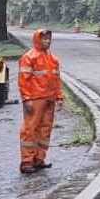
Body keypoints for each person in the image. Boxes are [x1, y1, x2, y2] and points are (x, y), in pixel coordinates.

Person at [17, 29, 62, 174]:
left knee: (45, 130)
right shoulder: (29, 57)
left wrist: (59, 97)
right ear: (38, 39)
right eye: (44, 39)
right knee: (30, 130)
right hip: (35, 99)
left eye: (49, 39)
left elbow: (57, 80)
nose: (47, 41)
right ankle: (26, 161)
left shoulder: (53, 59)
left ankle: (39, 159)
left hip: (49, 99)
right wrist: (27, 99)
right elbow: (23, 80)